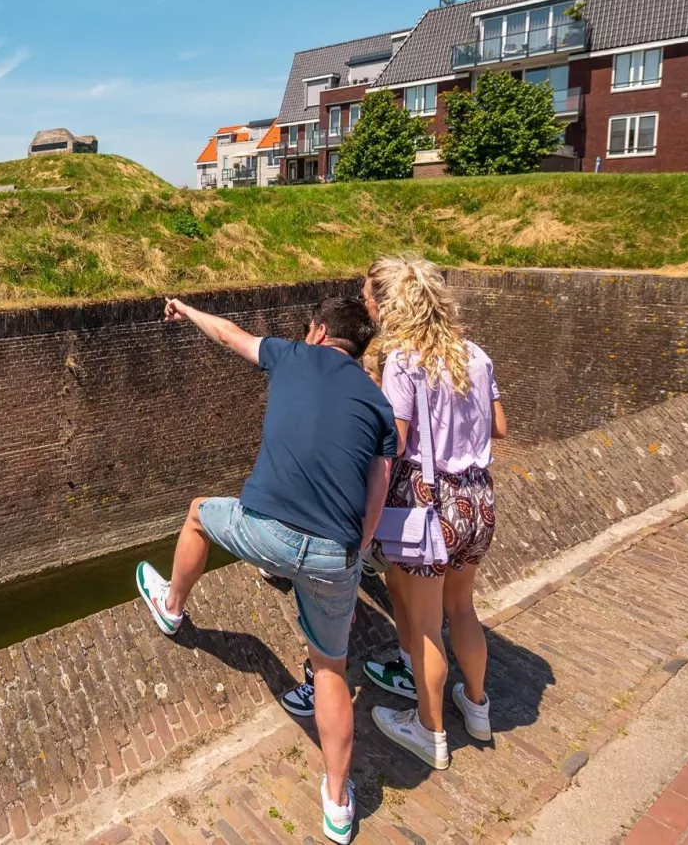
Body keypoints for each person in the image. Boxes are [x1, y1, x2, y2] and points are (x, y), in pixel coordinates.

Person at [136, 295, 395, 845]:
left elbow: (229, 334)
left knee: (199, 516)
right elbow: (375, 496)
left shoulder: (293, 356)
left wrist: (184, 308)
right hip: (335, 553)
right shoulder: (377, 403)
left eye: (309, 330)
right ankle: (338, 803)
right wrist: (351, 553)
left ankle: (171, 608)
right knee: (330, 670)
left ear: (320, 333)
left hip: (267, 533)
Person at [360, 257, 507, 769]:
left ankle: (430, 730)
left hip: (429, 505)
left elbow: (394, 441)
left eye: (369, 297)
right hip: (478, 499)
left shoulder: (403, 361)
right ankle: (477, 705)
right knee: (462, 609)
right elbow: (500, 427)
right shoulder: (475, 355)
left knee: (426, 626)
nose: (366, 305)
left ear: (394, 306)